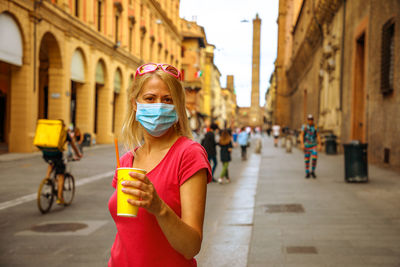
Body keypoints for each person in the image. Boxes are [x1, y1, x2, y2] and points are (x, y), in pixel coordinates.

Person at [108, 63, 212, 267]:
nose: (159, 106)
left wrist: (159, 208)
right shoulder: (127, 160)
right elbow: (128, 234)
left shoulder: (189, 154)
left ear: (178, 107)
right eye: (150, 98)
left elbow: (191, 247)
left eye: (168, 100)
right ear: (135, 104)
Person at [42, 120, 82, 204]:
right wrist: (78, 154)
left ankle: (47, 179)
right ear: (63, 125)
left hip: (46, 153)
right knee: (61, 175)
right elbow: (73, 146)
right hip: (57, 154)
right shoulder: (64, 133)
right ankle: (60, 197)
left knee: (51, 163)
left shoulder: (50, 131)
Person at [300, 114, 322, 178]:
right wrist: (302, 144)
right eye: (309, 119)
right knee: (307, 159)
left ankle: (313, 171)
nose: (310, 121)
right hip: (306, 146)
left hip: (314, 145)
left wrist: (320, 144)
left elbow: (317, 135)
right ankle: (307, 172)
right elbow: (301, 135)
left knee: (314, 157)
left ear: (313, 120)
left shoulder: (315, 127)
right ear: (307, 120)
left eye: (311, 119)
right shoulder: (304, 127)